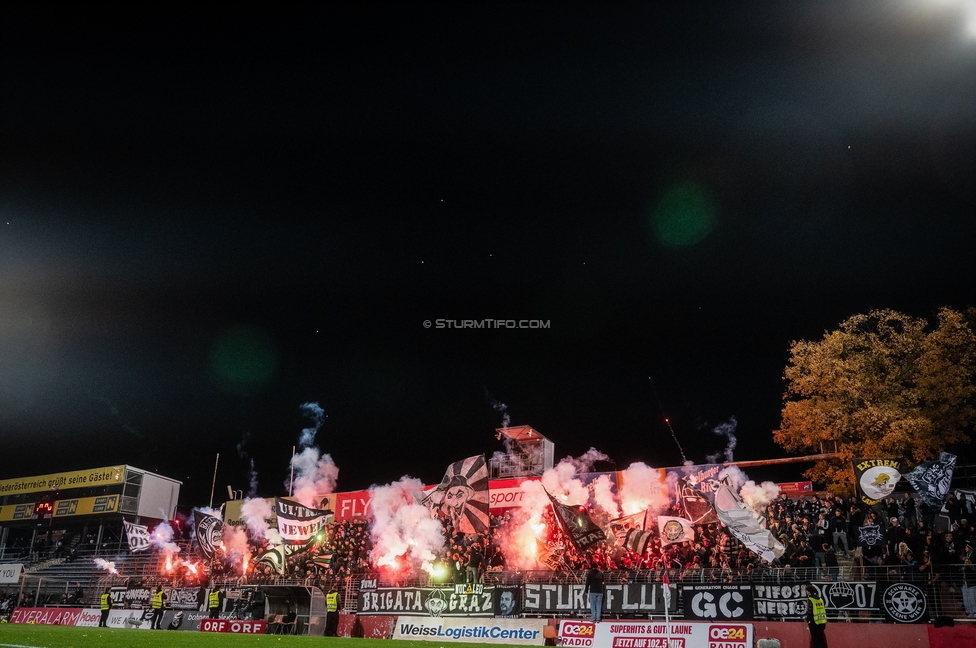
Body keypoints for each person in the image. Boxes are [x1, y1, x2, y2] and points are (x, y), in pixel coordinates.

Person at [805, 582, 828, 648]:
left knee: (815, 640)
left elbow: (809, 611)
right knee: (822, 639)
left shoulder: (810, 599)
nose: (806, 592)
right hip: (822, 622)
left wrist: (808, 620)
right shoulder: (820, 599)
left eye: (806, 591)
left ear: (809, 592)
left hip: (814, 622)